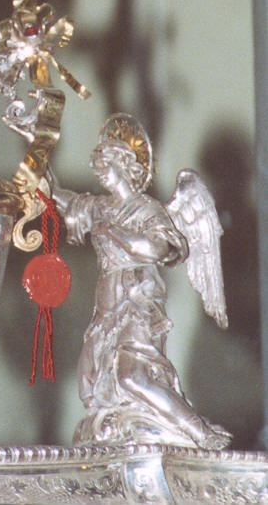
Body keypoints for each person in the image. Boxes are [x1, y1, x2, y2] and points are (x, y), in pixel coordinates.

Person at [50, 113, 230, 449]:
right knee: (89, 385)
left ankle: (199, 432)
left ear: (124, 165)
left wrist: (113, 232)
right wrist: (38, 146)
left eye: (105, 163)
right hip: (107, 306)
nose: (98, 170)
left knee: (133, 376)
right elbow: (58, 196)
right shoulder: (102, 207)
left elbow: (158, 248)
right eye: (97, 164)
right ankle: (120, 432)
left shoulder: (147, 210)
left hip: (137, 300)